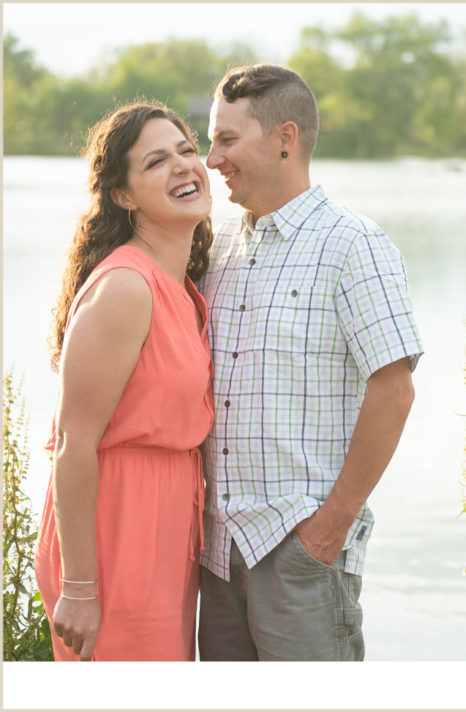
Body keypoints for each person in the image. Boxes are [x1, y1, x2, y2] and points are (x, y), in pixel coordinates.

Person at [198, 63, 423, 661]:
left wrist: (329, 528)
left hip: (300, 555)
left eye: (226, 139)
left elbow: (394, 391)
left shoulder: (354, 245)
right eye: (211, 139)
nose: (211, 157)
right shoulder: (215, 243)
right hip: (216, 556)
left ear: (285, 139)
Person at [34, 102, 215, 661]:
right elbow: (73, 444)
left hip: (165, 533)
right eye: (157, 161)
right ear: (123, 195)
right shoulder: (125, 288)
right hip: (114, 532)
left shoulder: (181, 284)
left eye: (187, 150)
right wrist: (81, 587)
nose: (184, 166)